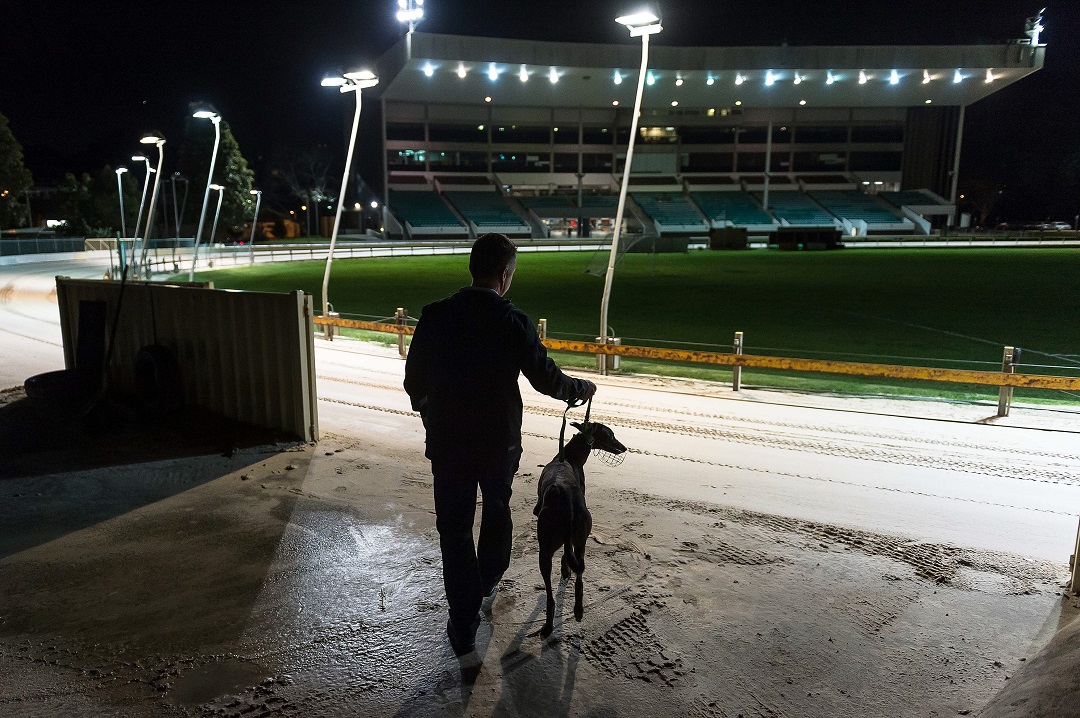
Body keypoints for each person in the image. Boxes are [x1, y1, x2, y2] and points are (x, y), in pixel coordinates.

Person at [404, 233, 596, 661]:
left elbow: (413, 382)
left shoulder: (435, 316)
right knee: (496, 513)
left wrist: (431, 417)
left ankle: (463, 620)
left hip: (449, 443)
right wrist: (580, 389)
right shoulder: (513, 321)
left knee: (452, 529)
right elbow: (547, 378)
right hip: (498, 445)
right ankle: (486, 581)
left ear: (473, 267)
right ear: (505, 274)